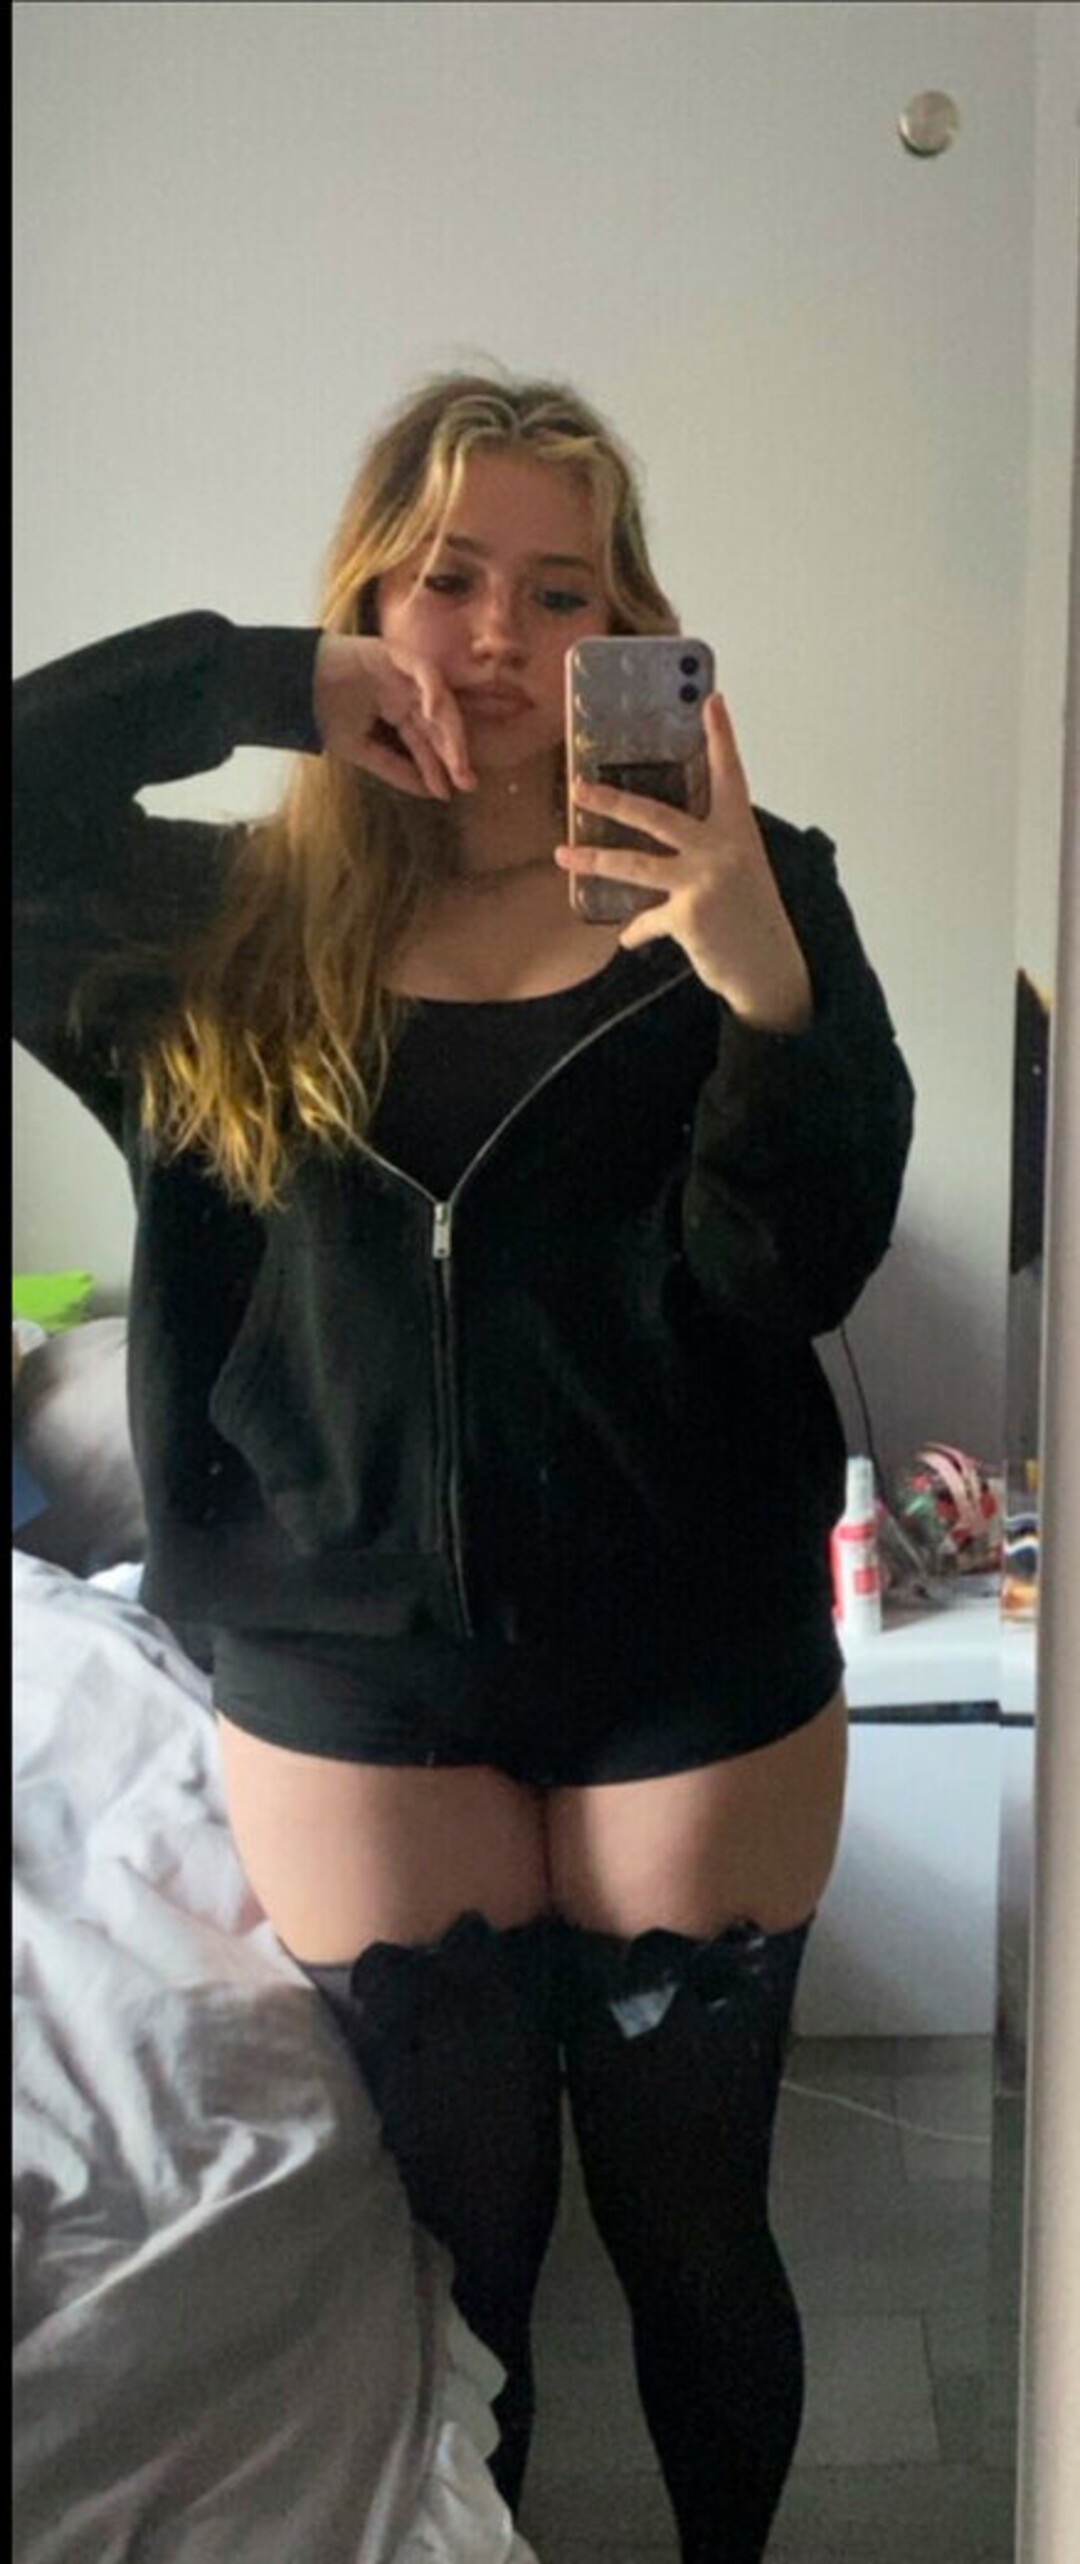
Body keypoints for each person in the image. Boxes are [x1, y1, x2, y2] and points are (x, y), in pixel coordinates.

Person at [13, 369, 914, 2563]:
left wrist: (758, 984)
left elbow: (793, 1269)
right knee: (466, 2267)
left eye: (562, 590)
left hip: (690, 1649)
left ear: (633, 630)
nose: (498, 633)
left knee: (697, 2234)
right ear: (367, 598)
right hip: (349, 1674)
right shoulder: (211, 927)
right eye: (444, 576)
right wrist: (253, 682)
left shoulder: (754, 888)